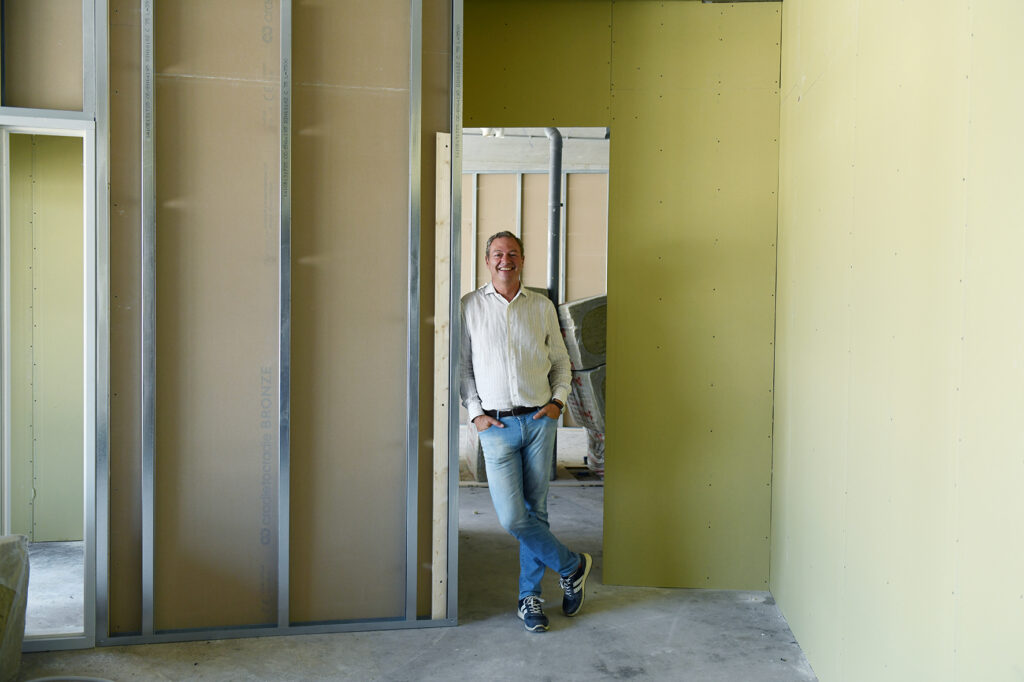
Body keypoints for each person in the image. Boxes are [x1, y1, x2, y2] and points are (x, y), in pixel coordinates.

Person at [459, 230, 592, 633]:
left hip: (538, 421)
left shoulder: (541, 306)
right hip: (495, 426)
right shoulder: (470, 306)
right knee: (514, 517)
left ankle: (529, 597)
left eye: (513, 253)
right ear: (487, 261)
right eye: (498, 254)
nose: (506, 260)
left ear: (522, 259)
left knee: (538, 511)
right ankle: (572, 566)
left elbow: (561, 362)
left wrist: (557, 404)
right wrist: (476, 414)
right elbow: (463, 367)